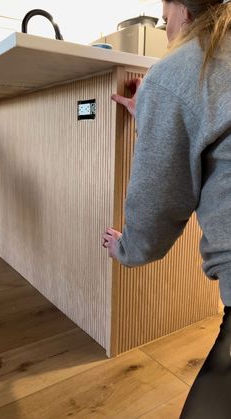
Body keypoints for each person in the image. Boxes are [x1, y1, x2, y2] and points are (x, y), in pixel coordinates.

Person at [102, 0, 231, 417]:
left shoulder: (178, 71)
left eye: (164, 19)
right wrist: (160, 115)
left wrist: (126, 249)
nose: (165, 29)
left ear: (184, 12)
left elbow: (157, 210)